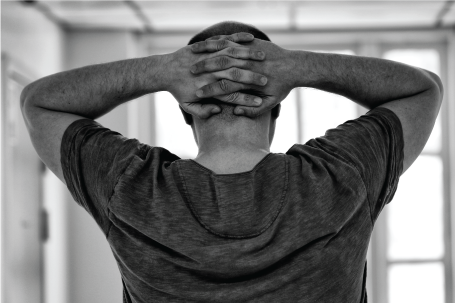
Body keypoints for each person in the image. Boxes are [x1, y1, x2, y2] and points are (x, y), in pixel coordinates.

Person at [20, 21, 443, 302]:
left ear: (185, 110)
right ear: (276, 106)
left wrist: (161, 72)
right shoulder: (340, 176)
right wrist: (299, 66)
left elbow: (39, 102)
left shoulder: (129, 186)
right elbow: (423, 89)